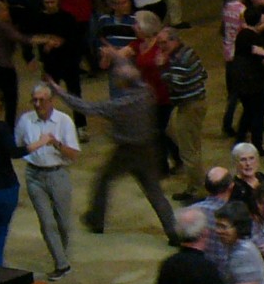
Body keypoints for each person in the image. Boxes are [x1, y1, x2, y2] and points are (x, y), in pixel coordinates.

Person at [50, 63, 177, 243]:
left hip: (126, 151)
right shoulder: (147, 93)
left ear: (122, 83)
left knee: (103, 180)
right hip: (148, 149)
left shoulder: (118, 105)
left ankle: (96, 220)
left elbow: (85, 107)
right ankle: (173, 231)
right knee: (155, 191)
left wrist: (59, 91)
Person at [15, 82, 78, 280]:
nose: (37, 104)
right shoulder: (25, 120)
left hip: (58, 174)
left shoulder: (64, 121)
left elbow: (73, 154)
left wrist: (55, 143)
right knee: (46, 221)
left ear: (51, 101)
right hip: (34, 175)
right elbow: (17, 146)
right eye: (34, 100)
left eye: (41, 100)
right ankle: (61, 264)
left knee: (63, 223)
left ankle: (61, 255)